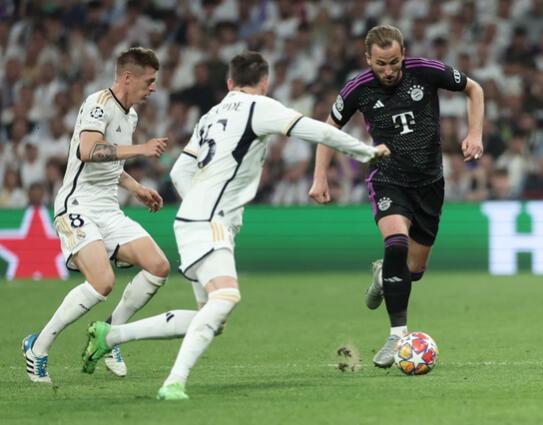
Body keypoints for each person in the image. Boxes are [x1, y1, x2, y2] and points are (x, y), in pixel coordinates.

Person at [79, 51, 390, 400]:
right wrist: (366, 152)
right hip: (210, 220)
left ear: (229, 83)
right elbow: (315, 129)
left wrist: (199, 202)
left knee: (212, 317)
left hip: (191, 219)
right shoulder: (260, 106)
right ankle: (173, 383)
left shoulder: (211, 115)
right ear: (265, 83)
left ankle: (112, 335)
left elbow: (180, 171)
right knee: (226, 297)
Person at [308, 25, 484, 368]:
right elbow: (328, 128)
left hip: (430, 184)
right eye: (380, 64)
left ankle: (382, 276)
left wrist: (474, 134)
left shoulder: (427, 72)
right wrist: (320, 178)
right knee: (397, 244)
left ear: (402, 53)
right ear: (367, 59)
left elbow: (474, 88)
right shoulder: (358, 88)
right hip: (387, 179)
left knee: (413, 269)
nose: (388, 71)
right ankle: (397, 335)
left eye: (393, 62)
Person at [21, 47, 171, 383]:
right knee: (103, 282)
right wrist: (142, 149)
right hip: (78, 206)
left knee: (159, 266)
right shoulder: (98, 104)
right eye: (149, 81)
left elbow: (111, 165)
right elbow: (88, 151)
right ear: (127, 77)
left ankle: (112, 336)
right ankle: (38, 347)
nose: (154, 89)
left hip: (109, 209)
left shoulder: (129, 115)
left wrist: (137, 188)